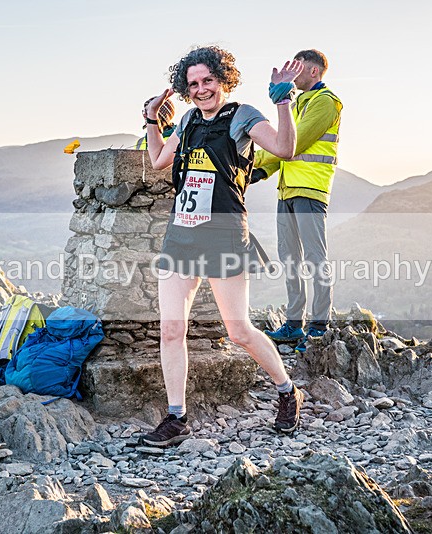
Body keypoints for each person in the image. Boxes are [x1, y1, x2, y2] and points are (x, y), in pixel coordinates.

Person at [140, 46, 305, 447]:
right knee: (171, 329)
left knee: (239, 331)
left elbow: (285, 149)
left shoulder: (242, 115)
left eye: (208, 80)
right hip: (181, 235)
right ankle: (176, 418)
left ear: (223, 80)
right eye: (193, 83)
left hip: (224, 235)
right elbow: (159, 159)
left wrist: (283, 101)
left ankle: (287, 390)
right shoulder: (188, 120)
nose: (201, 89)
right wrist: (151, 119)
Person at [253, 49, 343, 352]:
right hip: (287, 191)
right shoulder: (299, 103)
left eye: (298, 68)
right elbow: (282, 149)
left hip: (310, 190)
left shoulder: (326, 102)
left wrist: (254, 160)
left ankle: (318, 327)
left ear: (314, 71)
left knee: (316, 259)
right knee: (289, 258)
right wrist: (260, 171)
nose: (292, 74)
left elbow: (293, 144)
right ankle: (293, 324)